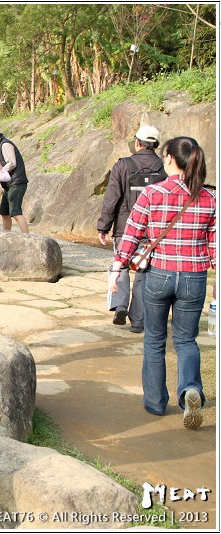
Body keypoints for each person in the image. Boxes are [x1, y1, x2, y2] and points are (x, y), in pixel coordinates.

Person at [108, 136, 215, 429]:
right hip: (194, 278)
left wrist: (118, 269)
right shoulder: (210, 198)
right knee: (186, 340)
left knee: (155, 340)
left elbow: (131, 234)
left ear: (168, 159)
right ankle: (190, 390)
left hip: (159, 275)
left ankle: (156, 403)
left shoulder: (153, 193)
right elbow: (214, 244)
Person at [98, 125, 166, 332]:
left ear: (137, 142)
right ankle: (138, 321)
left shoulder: (123, 165)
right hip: (152, 230)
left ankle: (119, 305)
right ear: (156, 145)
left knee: (122, 265)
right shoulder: (164, 168)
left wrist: (103, 226)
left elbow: (112, 198)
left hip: (124, 226)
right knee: (144, 271)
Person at [0, 126, 29, 233]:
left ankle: (27, 238)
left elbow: (12, 163)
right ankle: (6, 236)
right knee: (5, 212)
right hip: (9, 185)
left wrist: (1, 170)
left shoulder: (5, 144)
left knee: (16, 212)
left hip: (16, 183)